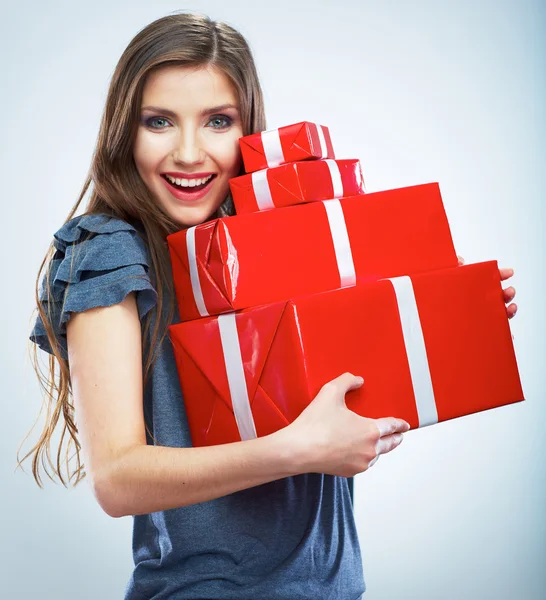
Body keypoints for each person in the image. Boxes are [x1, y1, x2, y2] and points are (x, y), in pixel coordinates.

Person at [18, 12, 518, 600]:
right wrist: (296, 451)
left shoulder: (269, 236)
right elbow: (118, 477)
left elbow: (340, 394)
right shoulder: (110, 249)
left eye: (217, 122)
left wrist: (447, 321)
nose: (188, 152)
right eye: (159, 122)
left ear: (249, 129)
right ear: (124, 130)